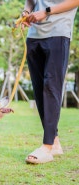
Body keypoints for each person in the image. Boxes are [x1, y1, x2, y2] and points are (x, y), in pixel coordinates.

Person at [19, 0, 79, 164]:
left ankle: (46, 147)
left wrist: (46, 11)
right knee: (39, 91)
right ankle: (55, 142)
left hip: (58, 33)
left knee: (51, 87)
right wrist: (26, 12)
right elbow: (30, 2)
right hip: (34, 36)